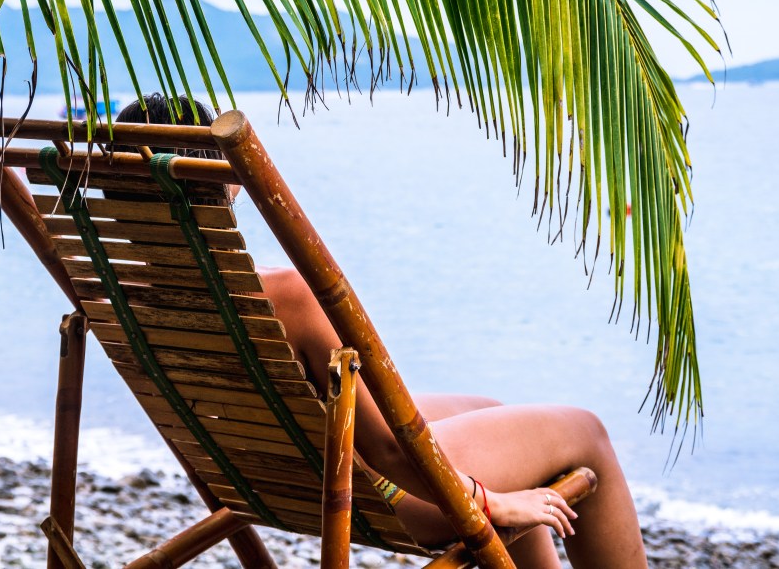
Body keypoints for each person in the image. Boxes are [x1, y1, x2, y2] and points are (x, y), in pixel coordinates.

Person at [116, 95, 648, 568]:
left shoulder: (118, 293)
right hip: (366, 496)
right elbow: (391, 455)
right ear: (227, 186)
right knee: (585, 433)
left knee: (487, 406)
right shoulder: (285, 299)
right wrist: (493, 502)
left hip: (266, 485)